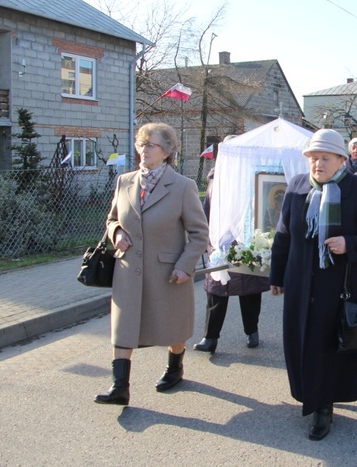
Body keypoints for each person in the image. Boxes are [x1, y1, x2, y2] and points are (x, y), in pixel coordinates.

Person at [269, 129, 357, 441]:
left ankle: (324, 406)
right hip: (300, 281)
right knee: (301, 340)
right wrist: (277, 276)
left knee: (329, 343)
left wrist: (349, 242)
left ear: (341, 159)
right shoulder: (297, 185)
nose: (317, 163)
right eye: (312, 157)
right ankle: (308, 392)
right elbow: (284, 234)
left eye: (325, 157)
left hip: (340, 282)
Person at [95, 123, 209, 406]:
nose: (143, 150)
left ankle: (175, 367)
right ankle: (119, 387)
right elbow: (112, 219)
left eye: (151, 145)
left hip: (167, 273)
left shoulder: (183, 187)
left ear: (167, 150)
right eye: (141, 144)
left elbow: (199, 233)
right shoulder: (125, 181)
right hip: (127, 271)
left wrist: (185, 265)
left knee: (172, 327)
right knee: (124, 327)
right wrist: (117, 233)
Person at [193, 152, 268, 354]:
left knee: (250, 292)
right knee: (216, 291)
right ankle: (210, 338)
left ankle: (252, 331)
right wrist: (203, 238)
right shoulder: (215, 181)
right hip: (220, 243)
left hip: (247, 243)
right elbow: (205, 212)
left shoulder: (253, 178)